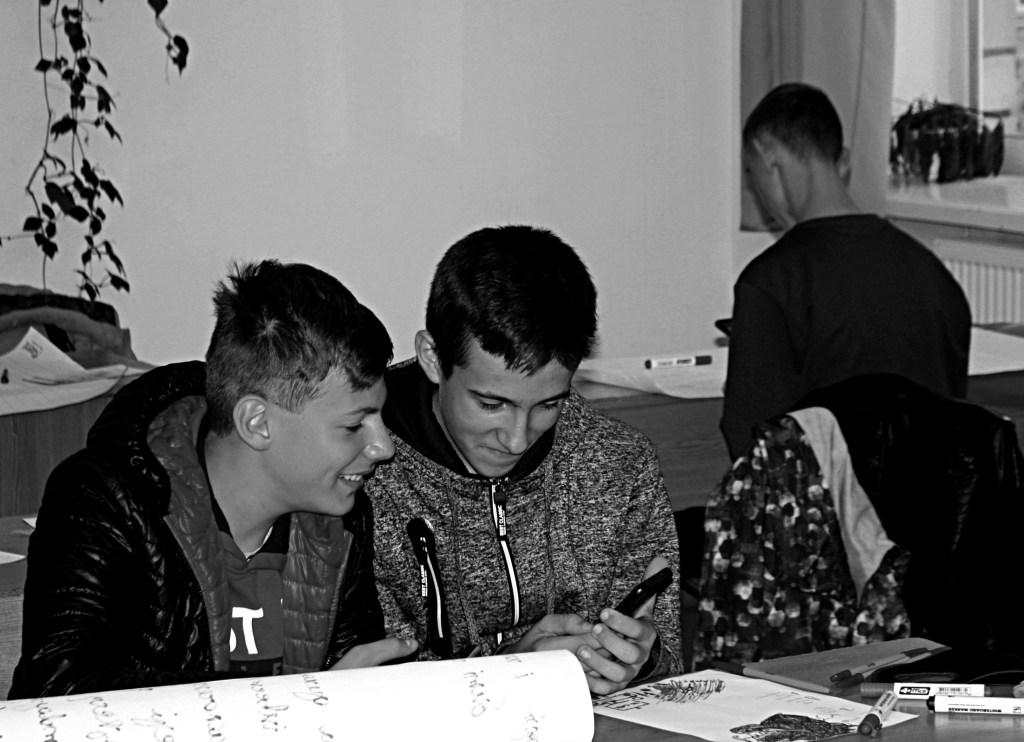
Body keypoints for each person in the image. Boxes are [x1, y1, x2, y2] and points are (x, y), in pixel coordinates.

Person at [9, 260, 416, 698]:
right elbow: (60, 686)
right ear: (257, 422)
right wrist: (299, 697)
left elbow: (354, 677)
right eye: (355, 425)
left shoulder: (342, 518)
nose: (383, 447)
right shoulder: (102, 500)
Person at [365, 225, 682, 696]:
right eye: (492, 404)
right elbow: (361, 693)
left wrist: (642, 658)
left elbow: (670, 666)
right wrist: (509, 673)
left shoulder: (618, 462)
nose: (517, 440)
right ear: (432, 357)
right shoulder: (362, 476)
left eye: (548, 404)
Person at [721, 82, 972, 460]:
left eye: (751, 173)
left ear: (767, 159)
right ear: (843, 161)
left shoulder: (771, 282)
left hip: (826, 496)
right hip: (928, 494)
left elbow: (753, 445)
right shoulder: (933, 275)